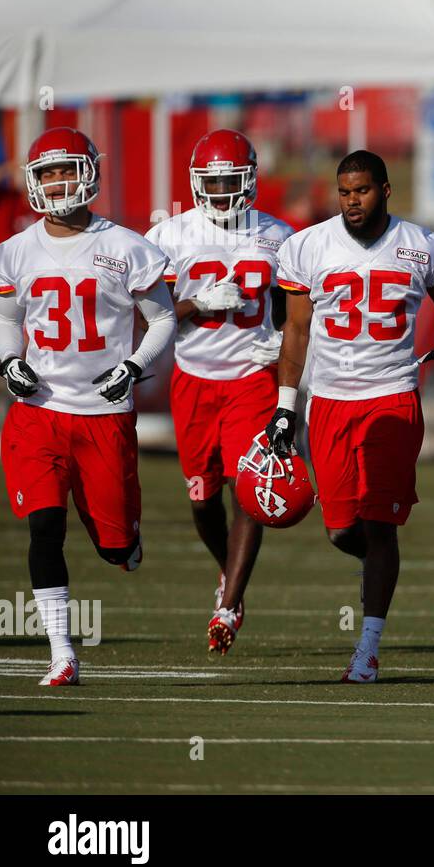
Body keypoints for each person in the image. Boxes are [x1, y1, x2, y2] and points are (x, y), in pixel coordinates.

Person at [266, 150, 434, 683]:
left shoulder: (423, 246)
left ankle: (368, 648)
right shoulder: (307, 247)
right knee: (340, 530)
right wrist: (286, 406)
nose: (352, 201)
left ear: (384, 190)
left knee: (380, 524)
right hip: (329, 401)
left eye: (362, 191)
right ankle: (378, 569)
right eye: (344, 192)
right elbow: (296, 331)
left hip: (392, 396)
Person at [0, 127, 176, 685]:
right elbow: (5, 320)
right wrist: (7, 363)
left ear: (90, 173)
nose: (58, 182)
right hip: (38, 416)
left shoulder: (127, 246)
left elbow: (165, 318)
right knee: (44, 528)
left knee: (113, 547)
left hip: (103, 416)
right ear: (33, 182)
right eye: (47, 172)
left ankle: (124, 541)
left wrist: (134, 365)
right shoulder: (15, 252)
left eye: (66, 169)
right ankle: (62, 654)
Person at [145, 129, 295, 654]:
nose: (222, 192)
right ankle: (225, 569)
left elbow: (297, 309)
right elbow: (149, 319)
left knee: (248, 490)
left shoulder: (279, 235)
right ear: (194, 182)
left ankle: (229, 603)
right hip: (193, 380)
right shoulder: (169, 237)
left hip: (251, 378)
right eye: (212, 182)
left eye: (232, 181)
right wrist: (197, 305)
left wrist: (280, 341)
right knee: (202, 497)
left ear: (251, 180)